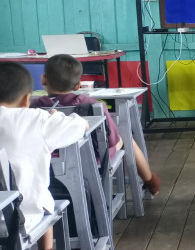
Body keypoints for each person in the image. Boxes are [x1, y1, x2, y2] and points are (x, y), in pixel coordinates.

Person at [30, 54, 161, 195]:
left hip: (45, 157)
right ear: (78, 85)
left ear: (43, 79)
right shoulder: (92, 104)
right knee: (125, 138)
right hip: (90, 157)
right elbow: (112, 140)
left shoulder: (32, 105)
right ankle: (150, 181)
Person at [0, 62, 88, 250]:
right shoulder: (36, 119)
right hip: (21, 219)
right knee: (44, 196)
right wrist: (56, 117)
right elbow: (79, 126)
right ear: (26, 100)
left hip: (11, 216)